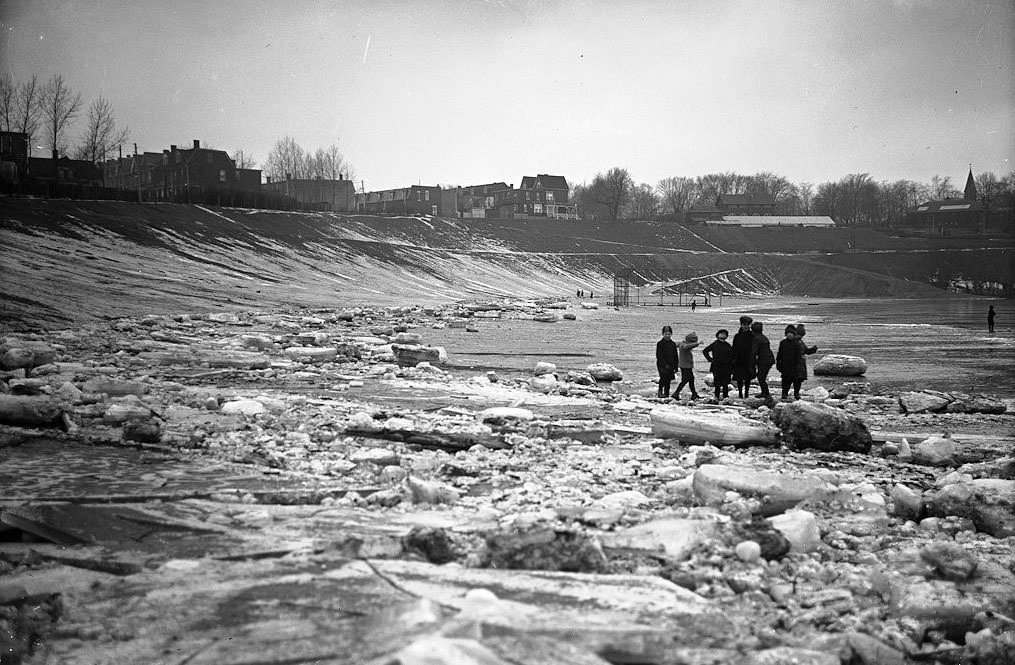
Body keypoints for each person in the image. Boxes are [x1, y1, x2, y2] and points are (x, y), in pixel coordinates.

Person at [702, 329, 733, 400]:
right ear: (718, 335)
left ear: (727, 336)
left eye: (725, 334)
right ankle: (717, 396)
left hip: (726, 366)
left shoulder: (727, 345)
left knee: (725, 383)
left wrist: (732, 367)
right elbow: (705, 351)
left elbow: (731, 356)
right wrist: (710, 359)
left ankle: (725, 396)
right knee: (717, 383)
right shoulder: (715, 343)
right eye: (721, 333)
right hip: (716, 366)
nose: (723, 335)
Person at [749, 321, 775, 399]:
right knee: (761, 377)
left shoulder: (757, 339)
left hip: (765, 360)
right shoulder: (763, 337)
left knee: (761, 377)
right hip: (768, 359)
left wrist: (751, 365)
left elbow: (754, 352)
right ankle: (764, 392)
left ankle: (766, 393)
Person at [731, 315, 755, 398]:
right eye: (744, 325)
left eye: (747, 325)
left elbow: (754, 348)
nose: (746, 327)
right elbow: (734, 347)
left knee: (748, 377)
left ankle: (747, 392)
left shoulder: (752, 336)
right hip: (738, 360)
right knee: (739, 378)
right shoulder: (737, 336)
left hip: (748, 359)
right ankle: (740, 393)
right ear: (741, 325)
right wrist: (733, 358)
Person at [674, 331, 701, 400]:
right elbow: (687, 347)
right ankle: (676, 393)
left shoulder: (682, 343)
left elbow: (676, 344)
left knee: (691, 379)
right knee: (685, 380)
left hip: (686, 366)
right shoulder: (684, 345)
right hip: (685, 366)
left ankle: (694, 394)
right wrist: (697, 343)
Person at [655, 325, 678, 398]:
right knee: (663, 377)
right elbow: (659, 355)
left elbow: (675, 355)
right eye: (666, 334)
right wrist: (664, 364)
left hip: (671, 364)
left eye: (669, 334)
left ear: (671, 334)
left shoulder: (673, 343)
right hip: (662, 364)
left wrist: (676, 366)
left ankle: (667, 393)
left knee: (668, 379)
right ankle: (660, 391)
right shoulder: (660, 343)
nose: (667, 336)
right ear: (662, 334)